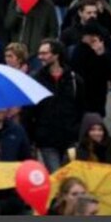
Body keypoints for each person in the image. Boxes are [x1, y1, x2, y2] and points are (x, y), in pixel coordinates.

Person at [28, 39, 86, 172]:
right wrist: (33, 139)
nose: (40, 57)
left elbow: (81, 108)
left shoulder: (74, 80)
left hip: (70, 138)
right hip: (47, 139)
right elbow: (30, 111)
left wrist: (77, 131)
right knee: (56, 175)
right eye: (39, 53)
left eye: (44, 53)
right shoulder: (36, 79)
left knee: (69, 177)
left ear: (56, 55)